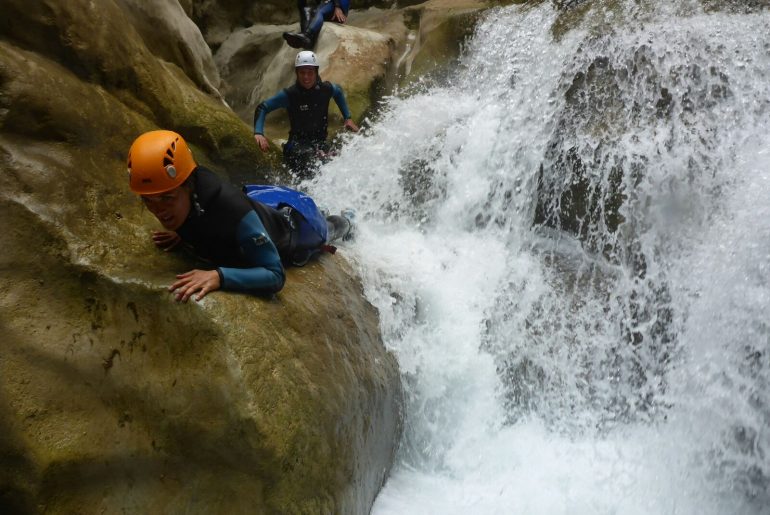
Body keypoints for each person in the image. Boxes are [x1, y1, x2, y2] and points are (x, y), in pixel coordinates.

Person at [126, 130, 353, 302]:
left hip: (296, 227)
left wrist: (219, 277)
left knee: (328, 227)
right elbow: (199, 215)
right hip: (263, 204)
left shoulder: (231, 212)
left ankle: (349, 220)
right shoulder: (189, 191)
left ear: (188, 186)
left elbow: (275, 275)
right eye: (148, 200)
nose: (158, 210)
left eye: (167, 198)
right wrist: (184, 231)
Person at [253, 51, 359, 180]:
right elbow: (263, 107)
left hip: (319, 143)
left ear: (316, 72)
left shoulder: (326, 89)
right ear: (297, 73)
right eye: (302, 73)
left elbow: (338, 92)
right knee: (312, 162)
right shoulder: (290, 95)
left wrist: (348, 118)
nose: (306, 77)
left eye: (310, 72)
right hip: (296, 146)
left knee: (338, 160)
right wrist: (258, 133)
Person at [283, 0, 351, 49]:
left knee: (319, 11)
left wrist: (337, 6)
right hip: (333, 7)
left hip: (339, 5)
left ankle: (307, 35)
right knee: (310, 10)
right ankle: (305, 40)